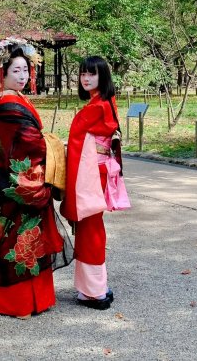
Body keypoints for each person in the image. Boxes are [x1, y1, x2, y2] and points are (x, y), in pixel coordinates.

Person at [0, 39, 72, 319]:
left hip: (19, 176)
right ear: (2, 74)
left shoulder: (16, 100)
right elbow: (28, 143)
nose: (22, 76)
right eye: (15, 71)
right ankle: (16, 303)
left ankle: (34, 299)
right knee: (18, 239)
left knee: (26, 238)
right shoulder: (7, 104)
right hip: (17, 179)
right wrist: (51, 144)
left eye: (25, 71)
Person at [61, 55, 130, 310]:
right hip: (95, 169)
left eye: (92, 73)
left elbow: (80, 140)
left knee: (89, 228)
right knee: (91, 227)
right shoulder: (104, 102)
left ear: (103, 76)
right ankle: (92, 288)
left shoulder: (97, 106)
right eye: (82, 74)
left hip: (90, 173)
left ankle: (95, 292)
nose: (86, 78)